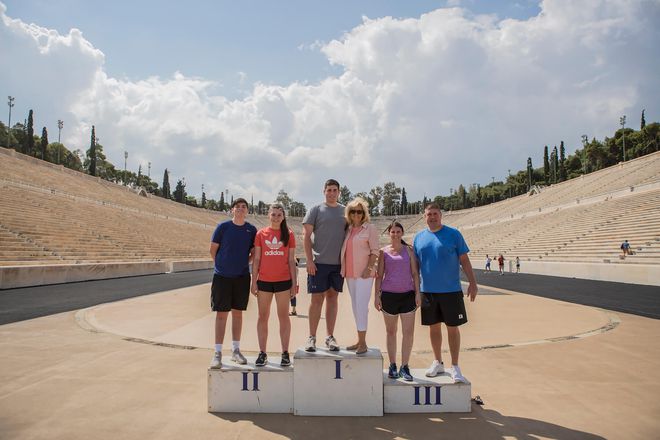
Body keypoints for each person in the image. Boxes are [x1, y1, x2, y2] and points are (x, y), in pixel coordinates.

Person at [413, 203, 478, 383]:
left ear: (440, 216)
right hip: (428, 291)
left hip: (451, 290)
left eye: (435, 214)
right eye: (428, 214)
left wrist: (472, 283)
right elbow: (415, 267)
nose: (432, 217)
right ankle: (437, 362)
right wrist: (416, 290)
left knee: (452, 328)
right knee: (433, 328)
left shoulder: (454, 234)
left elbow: (464, 260)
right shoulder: (418, 238)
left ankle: (455, 366)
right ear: (424, 216)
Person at [209, 198, 257, 369]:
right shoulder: (223, 227)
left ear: (247, 211)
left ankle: (236, 350)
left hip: (242, 276)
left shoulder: (251, 230)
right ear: (232, 210)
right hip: (222, 276)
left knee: (238, 314)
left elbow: (253, 252)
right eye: (237, 207)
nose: (240, 209)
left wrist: (246, 262)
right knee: (221, 314)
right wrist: (221, 265)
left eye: (243, 207)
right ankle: (217, 352)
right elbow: (213, 249)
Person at [250, 204, 298, 367]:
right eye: (273, 214)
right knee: (263, 317)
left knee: (283, 317)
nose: (276, 217)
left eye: (279, 215)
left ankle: (285, 353)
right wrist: (253, 281)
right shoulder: (261, 234)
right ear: (268, 216)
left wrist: (294, 283)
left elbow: (292, 261)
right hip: (264, 282)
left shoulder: (289, 234)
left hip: (283, 282)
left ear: (283, 217)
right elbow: (256, 259)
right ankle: (262, 353)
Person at [303, 179, 346, 352]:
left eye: (334, 190)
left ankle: (329, 337)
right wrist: (310, 260)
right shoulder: (316, 210)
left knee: (333, 299)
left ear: (339, 192)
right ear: (324, 191)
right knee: (316, 300)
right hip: (318, 263)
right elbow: (306, 236)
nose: (331, 193)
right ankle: (311, 337)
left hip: (337, 265)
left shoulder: (345, 211)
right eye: (329, 190)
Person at [375, 221, 421, 381]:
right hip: (389, 296)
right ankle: (393, 365)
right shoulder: (383, 252)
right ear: (389, 234)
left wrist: (417, 293)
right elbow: (379, 275)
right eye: (392, 232)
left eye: (398, 231)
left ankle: (405, 366)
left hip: (408, 295)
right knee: (391, 332)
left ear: (402, 233)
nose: (395, 234)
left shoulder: (409, 250)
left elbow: (415, 273)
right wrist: (376, 295)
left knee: (408, 333)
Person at [340, 197, 379, 355]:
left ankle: (363, 343)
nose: (356, 214)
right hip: (350, 274)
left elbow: (375, 251)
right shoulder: (348, 229)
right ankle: (359, 340)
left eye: (360, 211)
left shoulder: (370, 228)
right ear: (349, 213)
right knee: (355, 307)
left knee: (361, 306)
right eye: (353, 211)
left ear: (364, 213)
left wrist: (369, 268)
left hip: (365, 274)